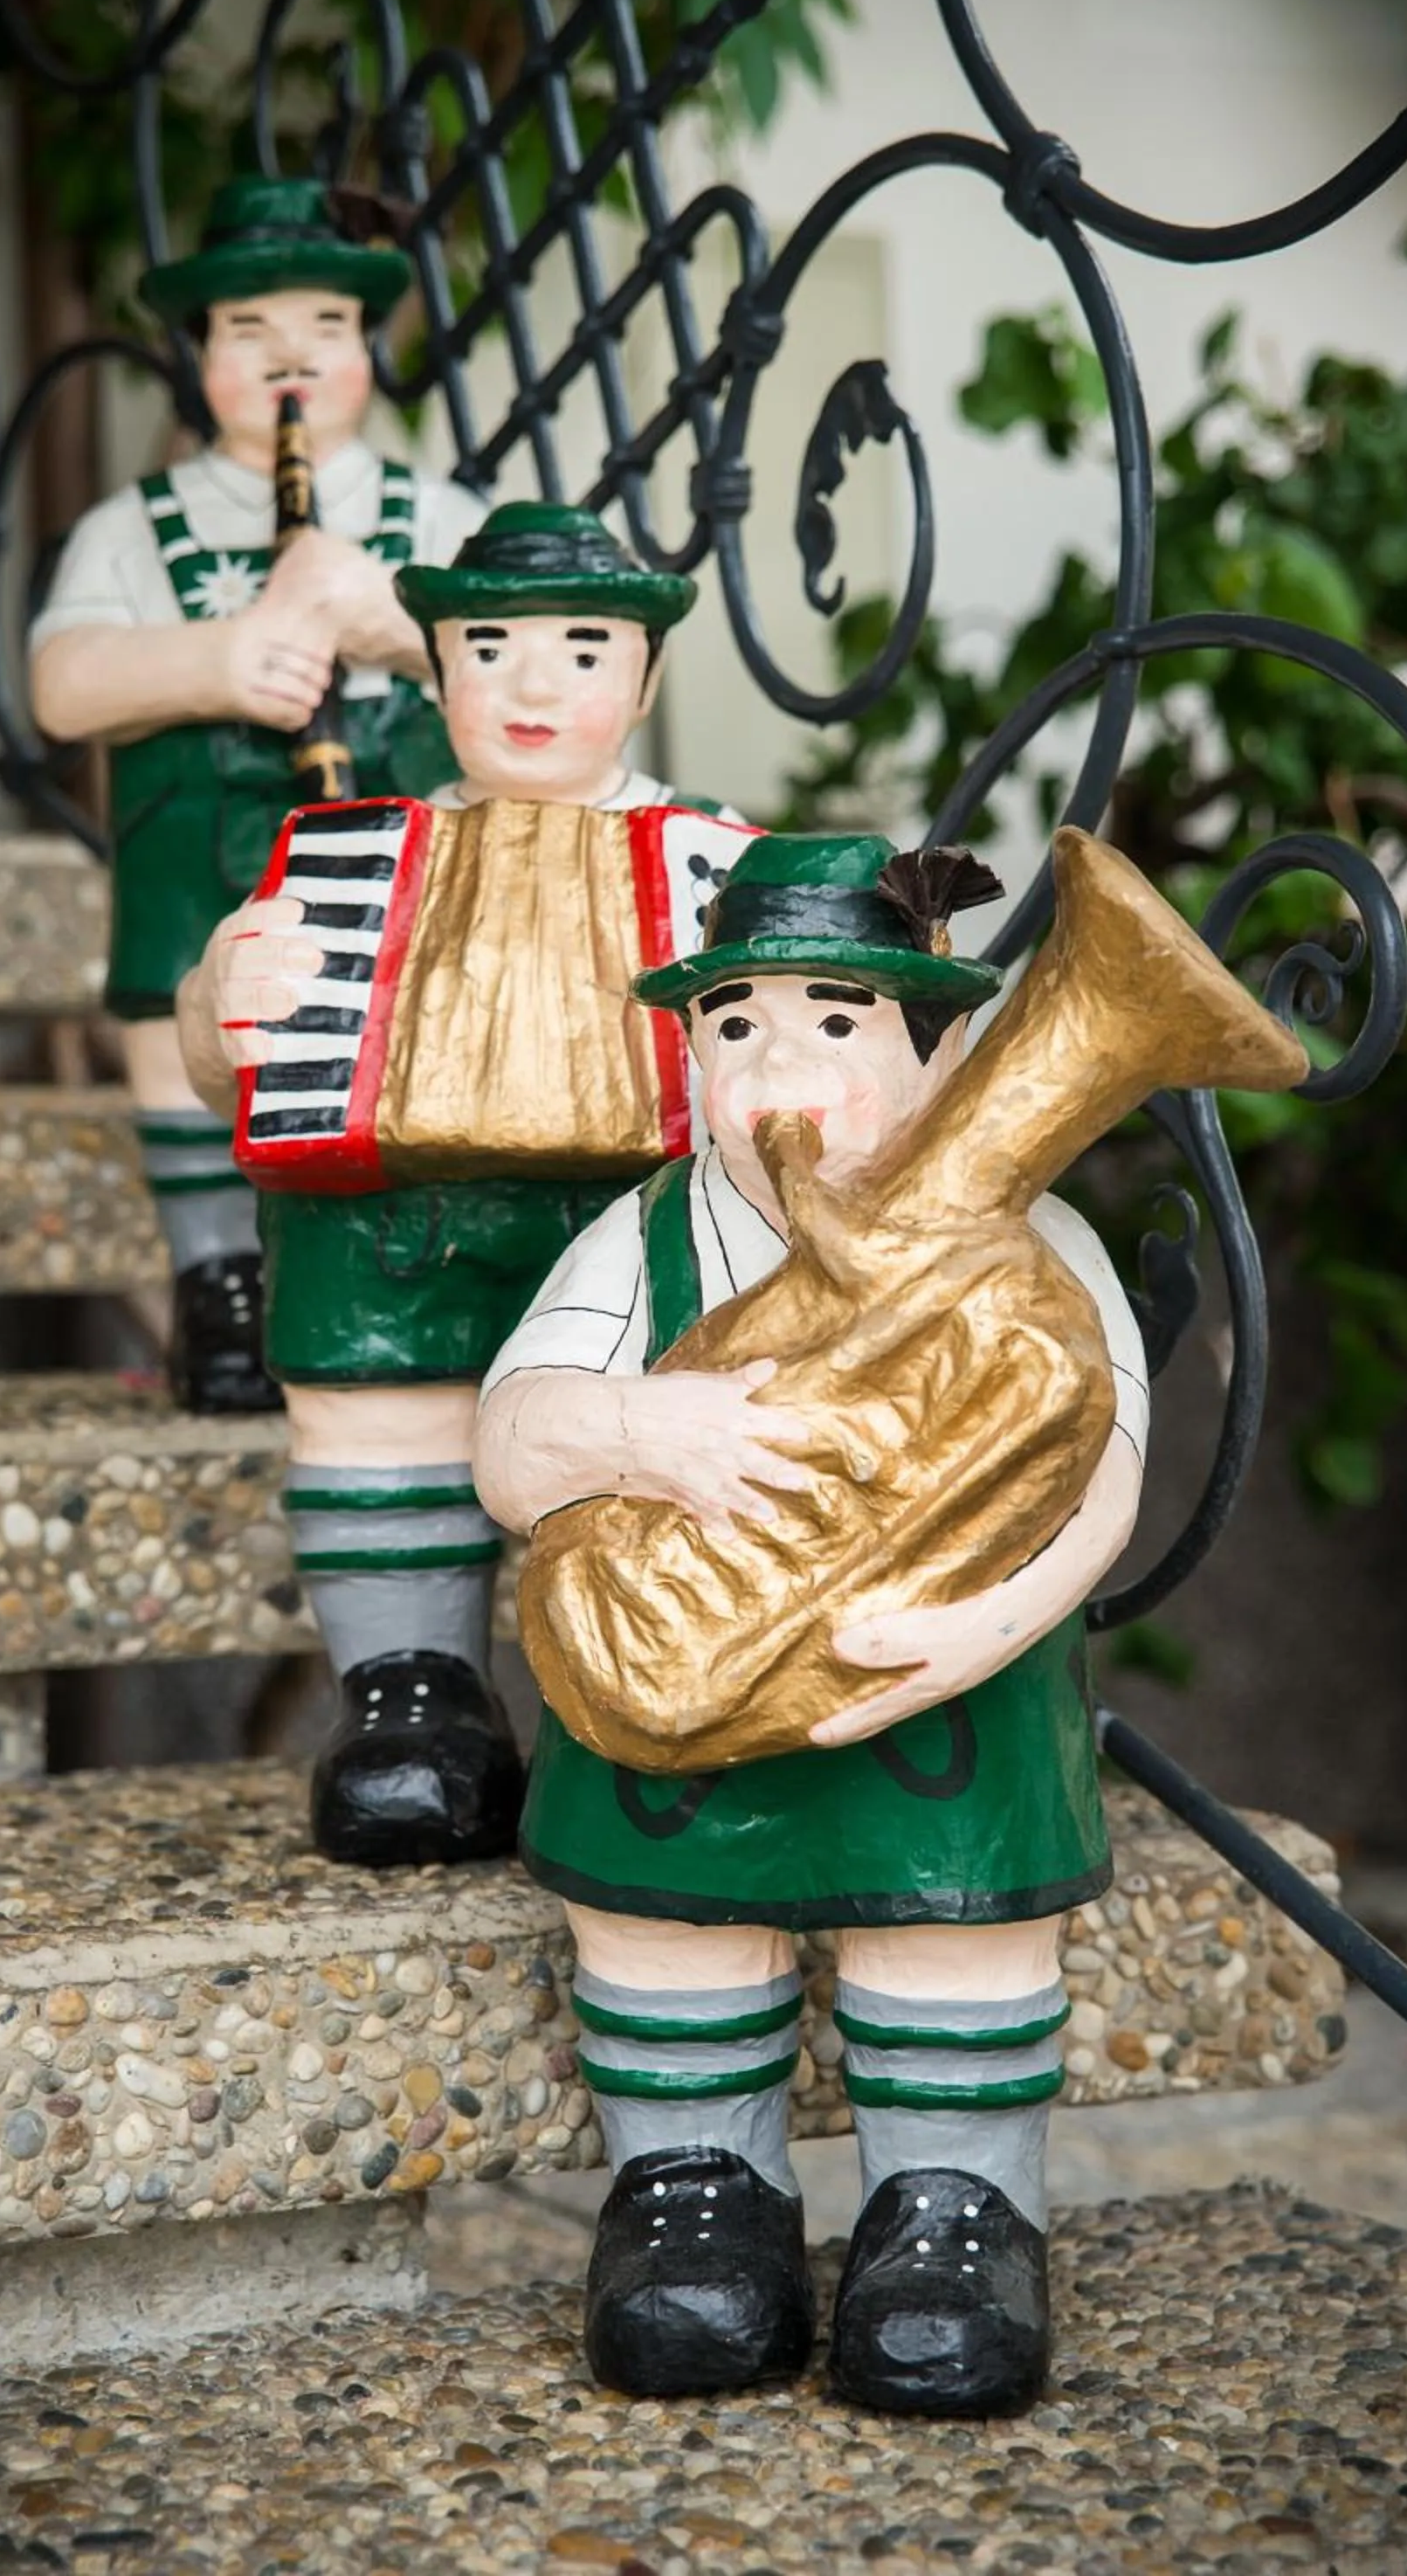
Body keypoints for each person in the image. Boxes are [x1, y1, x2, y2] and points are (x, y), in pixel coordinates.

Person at [472, 832, 1148, 2417]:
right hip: (677, 1697)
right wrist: (639, 1432)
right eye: (737, 1029)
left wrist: (994, 1621)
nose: (778, 1072)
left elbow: (1105, 1464)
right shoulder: (643, 1238)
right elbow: (510, 1440)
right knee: (668, 1938)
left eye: (837, 1025)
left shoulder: (1035, 1236)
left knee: (954, 1939)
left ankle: (955, 2211)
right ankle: (693, 2192)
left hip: (946, 1689)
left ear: (941, 1056)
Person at [176, 501, 745, 1869]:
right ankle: (411, 1692)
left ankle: (628, 1688)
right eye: (489, 648)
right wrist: (222, 1005)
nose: (533, 682)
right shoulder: (353, 855)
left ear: (646, 678)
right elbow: (223, 1052)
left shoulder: (719, 861)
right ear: (436, 674)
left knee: (634, 1429)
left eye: (584, 650)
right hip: (404, 1221)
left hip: (634, 1224)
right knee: (378, 1416)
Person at [29, 175, 486, 1412]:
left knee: (397, 1030)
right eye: (249, 331)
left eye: (327, 327)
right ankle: (216, 1275)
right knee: (173, 1026)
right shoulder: (136, 526)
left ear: (370, 350)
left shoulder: (436, 515)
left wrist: (386, 617)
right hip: (200, 832)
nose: (291, 356)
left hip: (387, 828)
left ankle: (397, 1267)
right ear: (199, 358)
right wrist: (216, 661)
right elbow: (62, 686)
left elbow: (528, 668)